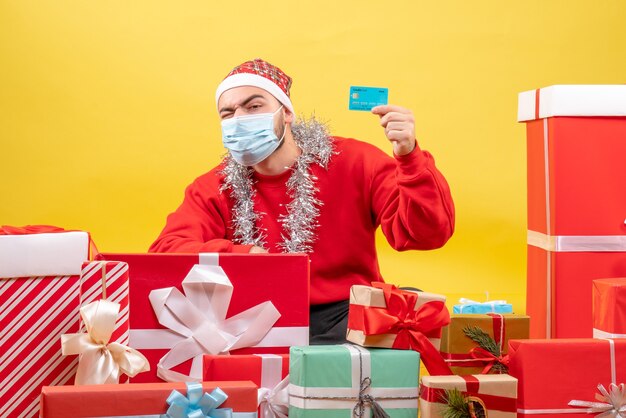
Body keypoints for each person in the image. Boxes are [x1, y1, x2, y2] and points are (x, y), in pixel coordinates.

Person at [149, 58, 455, 343]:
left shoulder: (355, 161)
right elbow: (167, 252)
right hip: (251, 319)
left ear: (286, 113)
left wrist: (409, 156)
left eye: (253, 106)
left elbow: (426, 233)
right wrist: (243, 255)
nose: (239, 119)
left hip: (345, 315)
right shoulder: (213, 186)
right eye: (228, 114)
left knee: (407, 311)